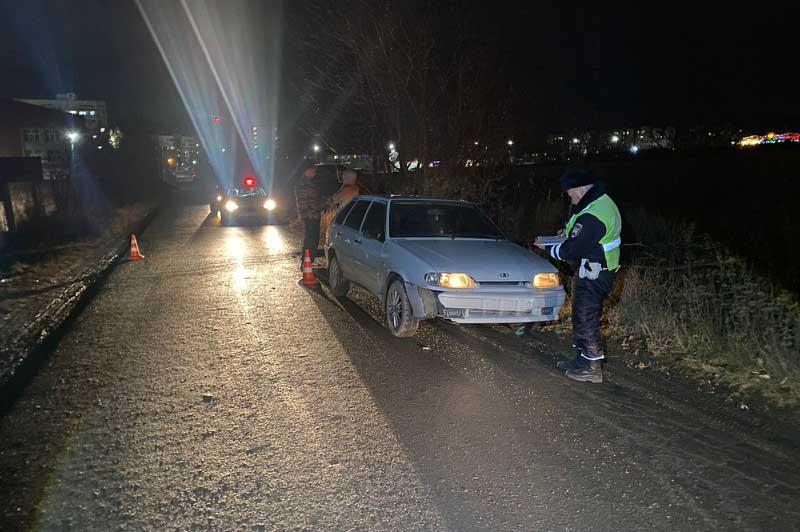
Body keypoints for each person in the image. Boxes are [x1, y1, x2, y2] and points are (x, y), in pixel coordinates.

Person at [535, 168, 622, 383]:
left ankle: (592, 366)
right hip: (592, 269)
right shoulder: (595, 203)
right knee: (580, 315)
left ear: (581, 189)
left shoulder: (594, 215)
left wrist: (548, 248)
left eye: (570, 193)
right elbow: (576, 231)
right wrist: (565, 234)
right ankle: (581, 360)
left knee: (586, 317)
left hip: (596, 272)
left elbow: (572, 250)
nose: (570, 197)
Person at [294, 166, 324, 266]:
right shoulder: (304, 184)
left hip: (310, 214)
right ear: (306, 171)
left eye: (315, 172)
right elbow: (310, 202)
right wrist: (324, 204)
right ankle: (307, 261)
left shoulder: (307, 183)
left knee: (311, 238)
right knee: (312, 238)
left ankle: (308, 260)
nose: (314, 174)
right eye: (312, 171)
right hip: (311, 215)